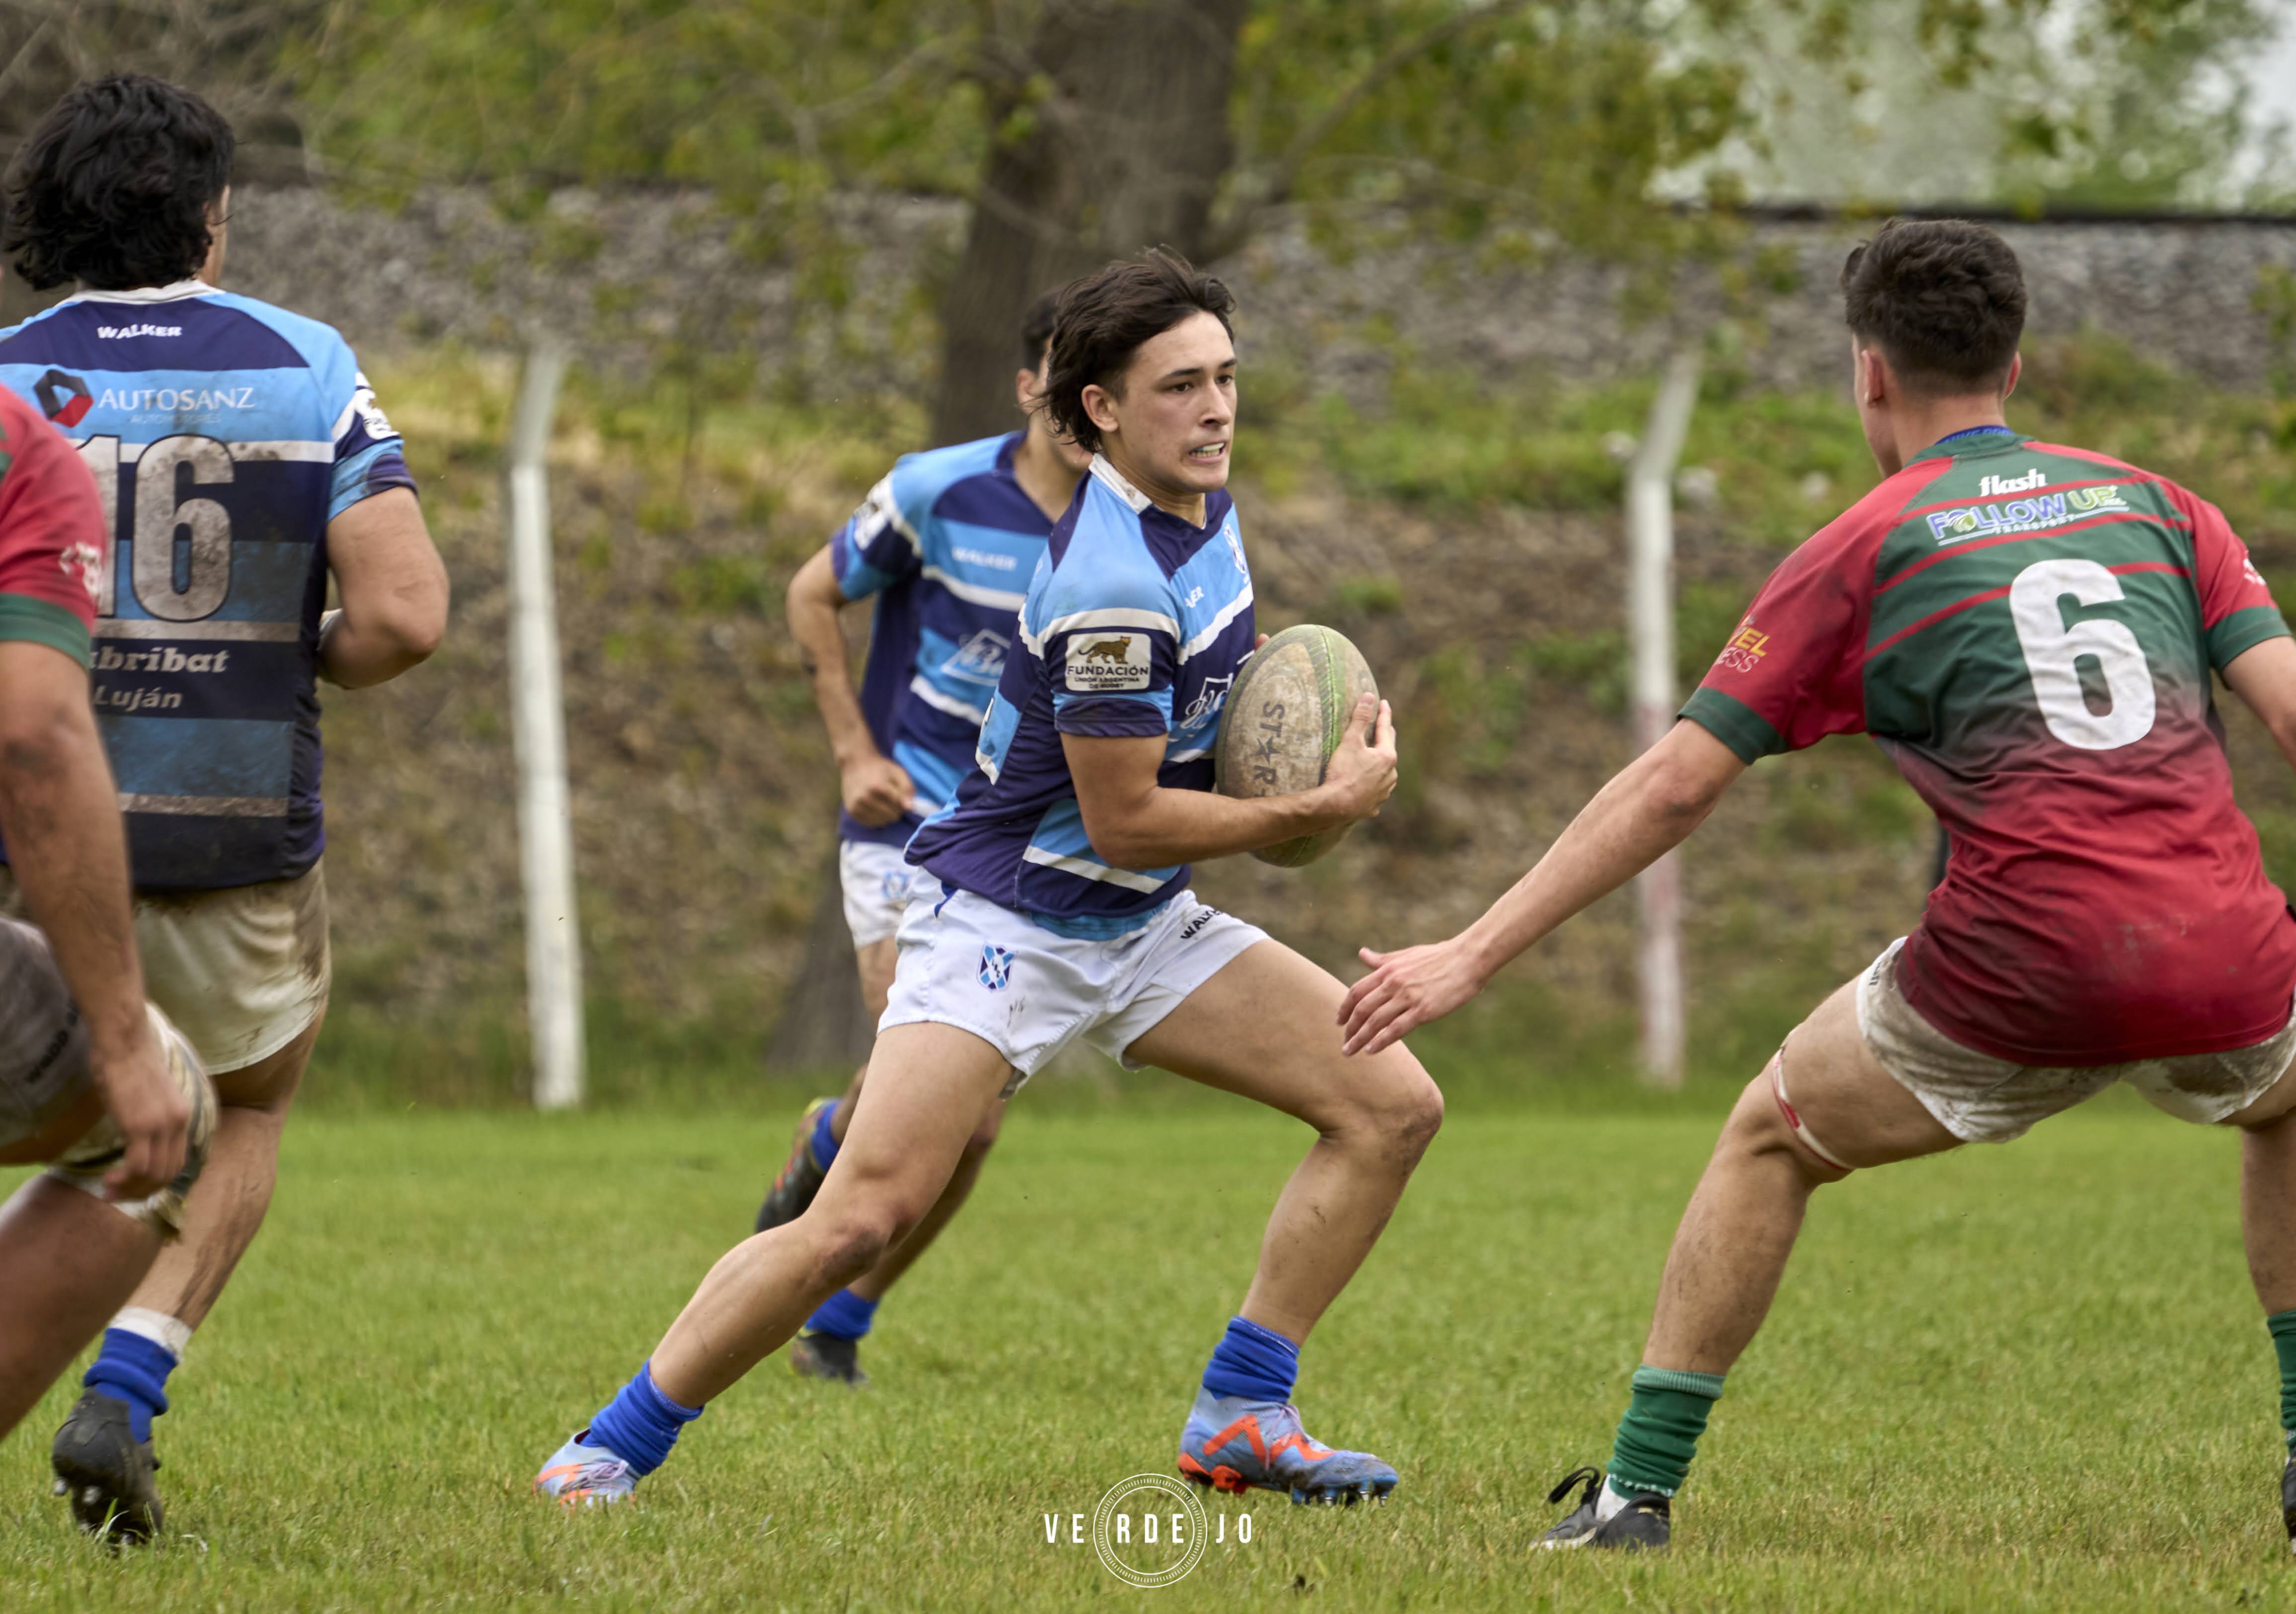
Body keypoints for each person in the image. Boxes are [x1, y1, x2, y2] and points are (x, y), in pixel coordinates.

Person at [1339, 217, 2296, 1551]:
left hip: (2015, 972)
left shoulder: (1868, 543)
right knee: (2281, 1098)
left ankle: (1631, 1496)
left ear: (1866, 375)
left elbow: (1673, 787)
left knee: (1767, 1136)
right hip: (2226, 950)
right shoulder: (2157, 505)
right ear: (2012, 365)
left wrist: (1470, 952)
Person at [536, 249, 1442, 1508]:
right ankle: (609, 1444)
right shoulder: (1110, 590)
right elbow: (1124, 821)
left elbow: (1182, 770)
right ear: (1098, 412)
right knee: (859, 1217)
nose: (1217, 409)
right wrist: (1315, 804)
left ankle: (1244, 1409)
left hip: (1140, 923)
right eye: (1180, 387)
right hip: (1011, 925)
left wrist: (1287, 739)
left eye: (1226, 379)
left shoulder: (1204, 511)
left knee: (1391, 1103)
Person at [0, 76, 449, 1537]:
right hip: (231, 827)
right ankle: (127, 1384)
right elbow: (404, 617)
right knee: (240, 1105)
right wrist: (289, 650)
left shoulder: (8, 375)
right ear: (211, 213)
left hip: (24, 843)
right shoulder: (305, 361)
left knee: (66, 1111)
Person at [753, 290, 1090, 1386]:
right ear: (1029, 383)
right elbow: (813, 595)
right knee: (965, 1118)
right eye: (1060, 371)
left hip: (1024, 849)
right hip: (905, 830)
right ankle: (828, 1212)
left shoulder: (1133, 525)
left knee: (973, 1130)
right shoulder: (936, 489)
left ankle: (843, 1308)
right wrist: (853, 751)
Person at [0, 374, 217, 1543]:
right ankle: (121, 1392)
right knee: (168, 1112)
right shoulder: (18, 443)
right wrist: (124, 1039)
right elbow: (32, 730)